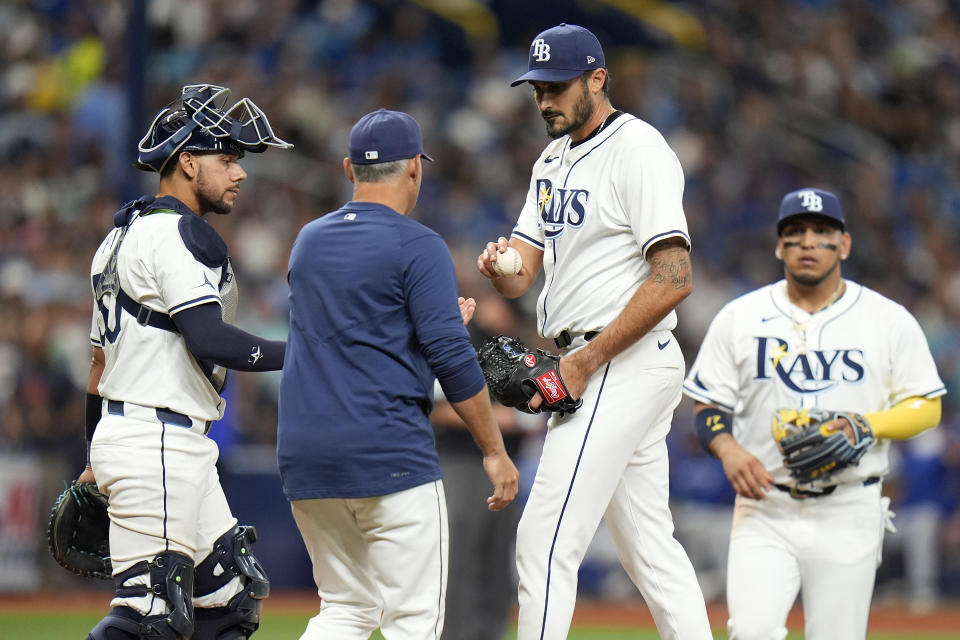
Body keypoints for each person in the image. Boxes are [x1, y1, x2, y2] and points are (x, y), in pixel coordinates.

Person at [478, 23, 712, 640]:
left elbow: (674, 276)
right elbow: (522, 276)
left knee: (543, 539)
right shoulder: (549, 161)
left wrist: (584, 363)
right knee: (650, 552)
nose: (545, 100)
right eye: (537, 89)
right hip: (592, 354)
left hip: (618, 357)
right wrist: (501, 267)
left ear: (598, 79)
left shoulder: (639, 149)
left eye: (558, 86)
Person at [278, 108, 519, 640]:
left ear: (348, 169)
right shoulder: (419, 244)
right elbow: (454, 360)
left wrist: (419, 330)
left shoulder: (308, 241)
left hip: (306, 456)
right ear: (415, 167)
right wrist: (494, 450)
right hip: (387, 455)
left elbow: (352, 339)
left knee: (346, 608)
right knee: (415, 622)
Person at [682, 187, 946, 639]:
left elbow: (926, 405)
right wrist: (727, 450)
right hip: (765, 505)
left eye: (822, 232)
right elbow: (707, 403)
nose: (808, 242)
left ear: (844, 244)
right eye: (795, 232)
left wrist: (869, 424)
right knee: (750, 632)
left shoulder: (888, 319)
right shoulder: (740, 317)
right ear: (779, 244)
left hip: (849, 504)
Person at [81, 84, 293, 639]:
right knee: (149, 617)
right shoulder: (176, 234)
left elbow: (97, 368)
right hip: (156, 439)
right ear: (187, 161)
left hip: (158, 437)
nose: (239, 173)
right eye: (227, 159)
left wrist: (93, 454)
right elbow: (209, 338)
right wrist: (307, 355)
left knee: (230, 601)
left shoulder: (118, 236)